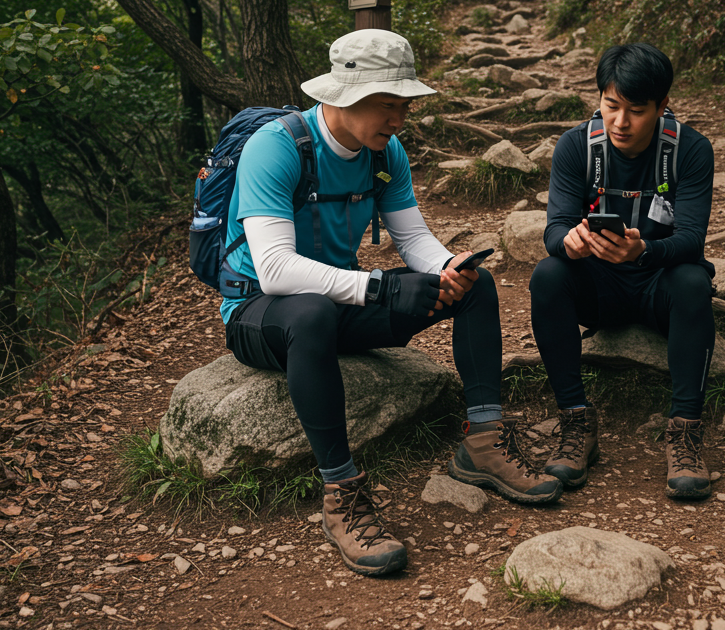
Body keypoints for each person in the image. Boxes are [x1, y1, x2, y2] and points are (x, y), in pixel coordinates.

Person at [220, 30, 561, 578]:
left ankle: (485, 441)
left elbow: (413, 239)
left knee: (477, 285)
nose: (400, 118)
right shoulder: (276, 147)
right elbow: (275, 270)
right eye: (388, 104)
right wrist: (380, 288)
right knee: (311, 312)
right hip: (261, 313)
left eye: (405, 105)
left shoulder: (385, 153)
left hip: (339, 301)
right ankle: (341, 494)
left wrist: (448, 267)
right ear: (343, 94)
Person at [529, 42, 718, 500]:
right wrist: (569, 243)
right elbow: (554, 229)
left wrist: (642, 252)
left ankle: (686, 431)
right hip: (601, 288)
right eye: (611, 106)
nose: (620, 122)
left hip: (659, 284)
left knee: (695, 279)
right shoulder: (577, 145)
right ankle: (576, 421)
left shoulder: (690, 150)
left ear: (662, 106)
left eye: (636, 110)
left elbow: (692, 240)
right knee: (547, 274)